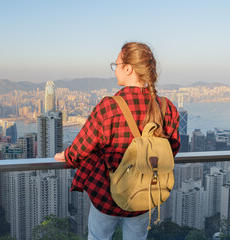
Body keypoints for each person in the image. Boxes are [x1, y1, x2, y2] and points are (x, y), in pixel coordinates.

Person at [54, 42, 180, 240]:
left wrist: (66, 155)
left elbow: (82, 147)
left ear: (128, 68)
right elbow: (172, 148)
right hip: (144, 192)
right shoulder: (166, 107)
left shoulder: (110, 107)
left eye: (117, 64)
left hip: (107, 193)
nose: (115, 69)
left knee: (98, 237)